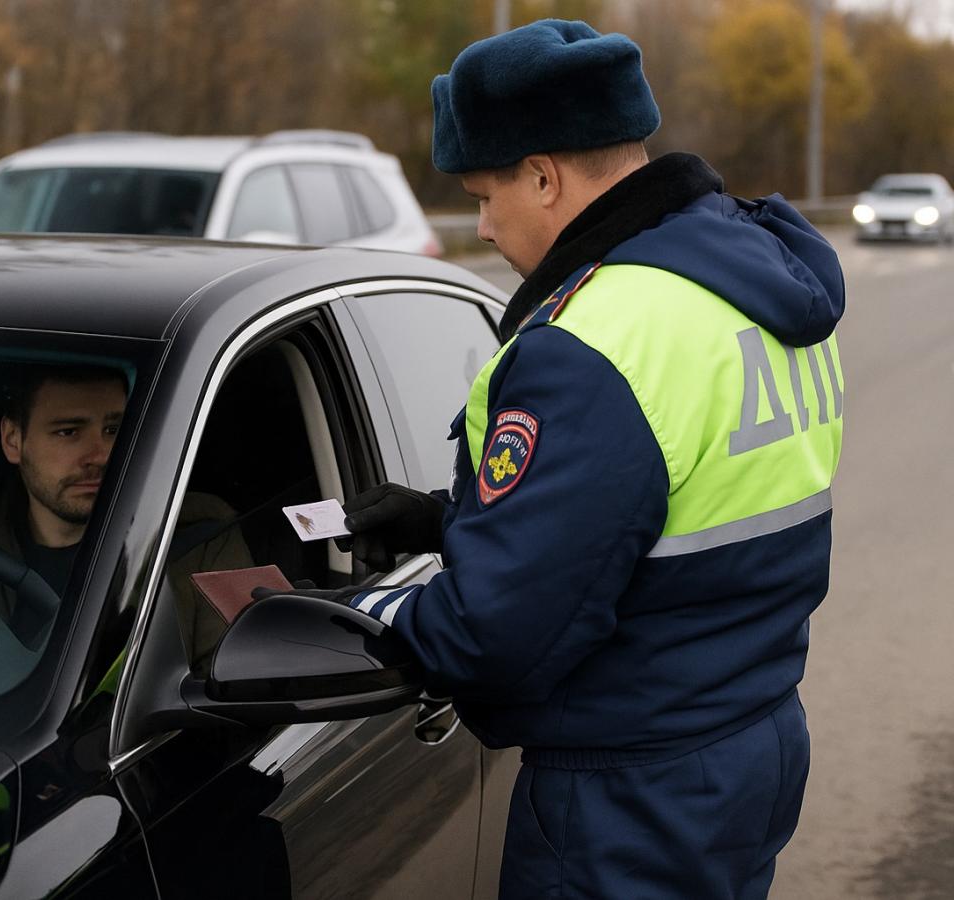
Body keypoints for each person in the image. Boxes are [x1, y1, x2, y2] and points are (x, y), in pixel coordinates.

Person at [273, 19, 845, 899]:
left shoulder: (594, 341)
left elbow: (496, 636)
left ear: (543, 176)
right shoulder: (755, 286)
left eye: (484, 196)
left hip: (628, 795)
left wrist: (371, 610)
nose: (484, 226)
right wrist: (447, 519)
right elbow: (671, 502)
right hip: (748, 740)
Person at [0, 363, 252, 660]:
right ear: (13, 440)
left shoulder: (201, 536)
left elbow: (245, 679)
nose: (100, 455)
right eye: (68, 432)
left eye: (112, 430)